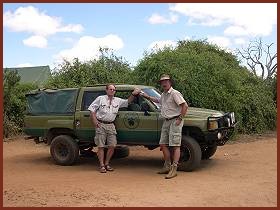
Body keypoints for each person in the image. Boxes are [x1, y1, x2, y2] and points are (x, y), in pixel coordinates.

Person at [141, 74, 188, 179]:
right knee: (162, 144)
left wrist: (180, 118)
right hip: (166, 121)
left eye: (166, 81)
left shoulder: (175, 93)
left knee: (175, 145)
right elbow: (158, 101)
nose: (164, 83)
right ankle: (167, 165)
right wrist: (146, 96)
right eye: (162, 82)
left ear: (170, 82)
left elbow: (185, 106)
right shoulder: (164, 94)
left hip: (175, 120)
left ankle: (174, 168)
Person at [88, 84, 140, 173]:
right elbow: (92, 109)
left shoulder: (118, 100)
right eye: (110, 89)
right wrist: (95, 121)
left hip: (111, 125)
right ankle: (101, 165)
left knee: (112, 146)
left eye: (114, 90)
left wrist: (134, 94)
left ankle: (107, 163)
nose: (112, 91)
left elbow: (128, 102)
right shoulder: (100, 98)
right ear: (106, 90)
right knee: (101, 146)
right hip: (101, 124)